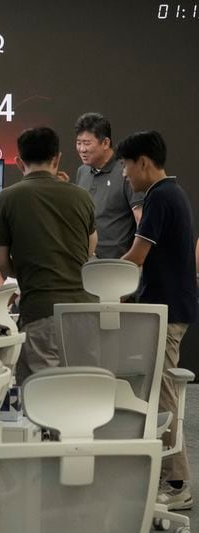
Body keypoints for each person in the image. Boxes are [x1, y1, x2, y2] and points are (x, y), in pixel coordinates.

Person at [118, 130, 197, 510]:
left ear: (143, 162)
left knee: (163, 393)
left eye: (127, 166)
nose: (125, 175)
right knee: (157, 391)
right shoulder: (170, 193)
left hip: (167, 310)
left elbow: (135, 256)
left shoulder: (161, 197)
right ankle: (166, 475)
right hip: (167, 306)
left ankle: (178, 483)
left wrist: (97, 276)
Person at [0, 127, 98, 384]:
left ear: (18, 162)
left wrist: (27, 270)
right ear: (57, 158)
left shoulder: (7, 198)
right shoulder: (82, 197)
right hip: (84, 313)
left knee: (43, 402)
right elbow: (90, 249)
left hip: (39, 312)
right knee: (83, 397)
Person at [69, 113, 143, 258]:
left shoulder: (126, 170)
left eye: (87, 143)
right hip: (86, 262)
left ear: (105, 143)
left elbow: (141, 220)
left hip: (119, 265)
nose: (82, 149)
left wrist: (136, 260)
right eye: (79, 142)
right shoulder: (82, 171)